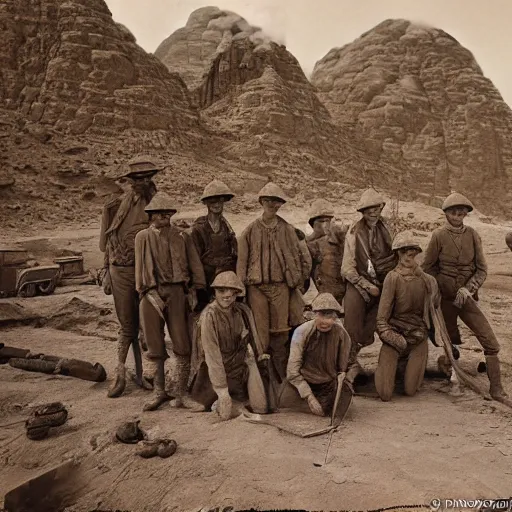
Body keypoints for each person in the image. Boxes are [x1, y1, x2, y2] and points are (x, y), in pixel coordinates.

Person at [422, 192, 511, 406]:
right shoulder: (438, 236)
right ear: (446, 214)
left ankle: (497, 390)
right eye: (454, 212)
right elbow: (427, 269)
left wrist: (468, 289)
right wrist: (440, 290)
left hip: (465, 297)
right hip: (445, 299)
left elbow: (481, 270)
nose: (458, 216)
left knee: (491, 342)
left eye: (462, 212)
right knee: (448, 341)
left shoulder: (473, 235)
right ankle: (451, 374)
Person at [134, 192, 206, 411]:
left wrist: (195, 289)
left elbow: (195, 266)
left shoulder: (183, 236)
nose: (163, 216)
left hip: (177, 293)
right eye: (158, 213)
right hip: (150, 294)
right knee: (154, 344)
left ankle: (182, 394)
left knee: (182, 343)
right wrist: (147, 291)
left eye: (167, 212)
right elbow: (139, 270)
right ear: (151, 215)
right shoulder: (142, 237)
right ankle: (159, 391)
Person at [99, 156, 162, 398]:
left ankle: (142, 374)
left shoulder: (156, 206)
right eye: (138, 178)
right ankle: (120, 375)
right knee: (127, 327)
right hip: (121, 271)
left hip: (147, 273)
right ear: (130, 180)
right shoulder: (114, 207)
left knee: (148, 324)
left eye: (148, 177)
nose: (144, 181)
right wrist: (106, 271)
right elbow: (107, 243)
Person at [236, 182, 311, 382]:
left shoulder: (288, 230)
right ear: (261, 202)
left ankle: (283, 378)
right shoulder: (249, 231)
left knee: (281, 332)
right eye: (268, 200)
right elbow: (242, 263)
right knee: (260, 334)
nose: (272, 205)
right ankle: (262, 379)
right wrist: (240, 290)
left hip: (280, 286)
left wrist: (299, 281)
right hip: (256, 288)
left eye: (276, 201)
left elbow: (302, 257)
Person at [189, 271, 270, 420]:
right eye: (221, 291)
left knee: (263, 407)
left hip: (238, 369)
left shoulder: (242, 311)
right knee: (210, 408)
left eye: (232, 292)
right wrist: (221, 390)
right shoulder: (209, 316)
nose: (227, 296)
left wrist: (253, 362)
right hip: (213, 373)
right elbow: (212, 355)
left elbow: (255, 341)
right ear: (214, 292)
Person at [375, 232, 440, 401]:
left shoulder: (427, 280)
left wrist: (421, 274)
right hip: (395, 334)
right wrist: (394, 338)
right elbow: (381, 319)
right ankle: (396, 365)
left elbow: (435, 304)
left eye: (412, 252)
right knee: (385, 393)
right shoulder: (392, 277)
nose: (408, 256)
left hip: (418, 336)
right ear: (398, 253)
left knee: (410, 390)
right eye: (404, 252)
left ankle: (404, 366)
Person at [341, 188, 397, 380]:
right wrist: (365, 285)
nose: (373, 213)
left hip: (385, 281)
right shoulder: (354, 232)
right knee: (352, 318)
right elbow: (347, 268)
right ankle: (348, 361)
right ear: (363, 212)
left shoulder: (389, 229)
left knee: (383, 314)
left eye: (376, 208)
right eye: (368, 210)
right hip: (359, 281)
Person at [279, 293, 356, 417]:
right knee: (283, 405)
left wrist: (346, 377)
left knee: (339, 410)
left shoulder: (342, 334)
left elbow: (350, 364)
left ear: (335, 317)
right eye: (321, 315)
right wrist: (309, 397)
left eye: (329, 316)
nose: (325, 321)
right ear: (314, 314)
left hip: (328, 384)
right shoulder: (301, 332)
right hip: (303, 382)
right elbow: (292, 371)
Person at [191, 180, 238, 311]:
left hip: (225, 276)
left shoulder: (227, 227)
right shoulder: (199, 229)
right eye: (213, 202)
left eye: (220, 201)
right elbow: (194, 259)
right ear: (206, 203)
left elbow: (233, 253)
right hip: (206, 278)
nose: (217, 205)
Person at [306, 199, 348, 305]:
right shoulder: (309, 245)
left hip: (344, 290)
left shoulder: (340, 238)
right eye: (320, 221)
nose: (325, 225)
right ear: (313, 224)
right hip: (326, 292)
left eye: (327, 221)